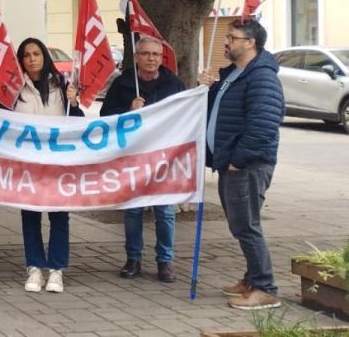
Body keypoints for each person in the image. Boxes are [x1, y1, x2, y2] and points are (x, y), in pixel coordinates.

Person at [199, 20, 284, 310]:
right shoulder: (235, 74)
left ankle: (266, 287)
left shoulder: (261, 78)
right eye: (227, 36)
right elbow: (221, 111)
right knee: (242, 224)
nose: (226, 42)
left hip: (246, 165)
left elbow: (263, 124)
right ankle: (252, 280)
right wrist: (207, 89)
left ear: (251, 43)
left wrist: (238, 160)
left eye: (233, 38)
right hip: (231, 162)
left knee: (247, 226)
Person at [100, 36, 186, 283]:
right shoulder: (123, 84)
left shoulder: (174, 84)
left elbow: (185, 117)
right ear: (136, 57)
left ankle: (165, 262)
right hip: (133, 157)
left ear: (162, 58)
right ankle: (133, 259)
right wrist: (129, 111)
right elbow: (106, 118)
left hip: (164, 158)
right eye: (146, 54)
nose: (151, 59)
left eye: (155, 55)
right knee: (133, 210)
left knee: (165, 212)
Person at [13, 38, 82, 294]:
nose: (32, 59)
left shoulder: (61, 85)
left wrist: (73, 102)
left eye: (36, 53)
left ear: (44, 56)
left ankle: (56, 269)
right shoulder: (13, 89)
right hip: (27, 164)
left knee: (59, 216)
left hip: (56, 164)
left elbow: (76, 123)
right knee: (30, 215)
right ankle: (34, 267)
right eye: (27, 55)